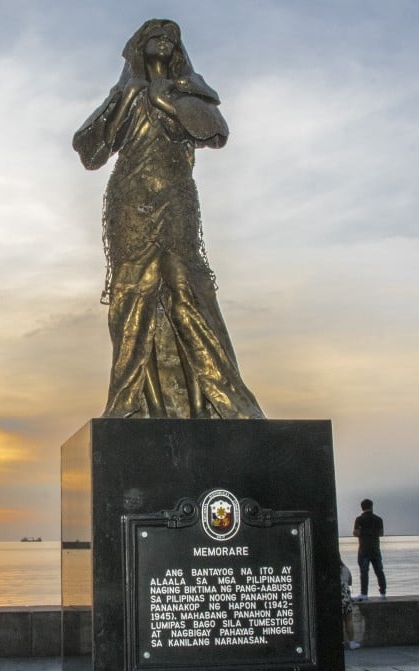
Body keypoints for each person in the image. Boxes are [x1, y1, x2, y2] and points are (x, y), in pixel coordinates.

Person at [73, 19, 264, 420]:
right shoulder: (124, 91)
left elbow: (214, 131)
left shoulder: (189, 89)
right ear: (139, 48)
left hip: (176, 199)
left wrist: (169, 97)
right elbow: (90, 151)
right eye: (154, 38)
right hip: (131, 199)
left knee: (185, 285)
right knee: (134, 290)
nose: (162, 42)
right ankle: (134, 404)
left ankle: (213, 402)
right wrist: (128, 103)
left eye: (170, 39)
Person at [353, 498, 386, 600]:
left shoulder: (359, 519)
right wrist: (373, 532)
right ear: (371, 507)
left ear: (362, 508)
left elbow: (355, 533)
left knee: (364, 572)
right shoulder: (378, 519)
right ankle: (383, 593)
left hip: (364, 548)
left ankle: (364, 594)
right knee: (379, 571)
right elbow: (381, 533)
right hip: (375, 548)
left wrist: (363, 531)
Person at [340, 559, 361, 649]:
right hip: (345, 596)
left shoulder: (327, 568)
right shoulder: (345, 568)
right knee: (348, 620)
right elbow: (350, 582)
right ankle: (352, 642)